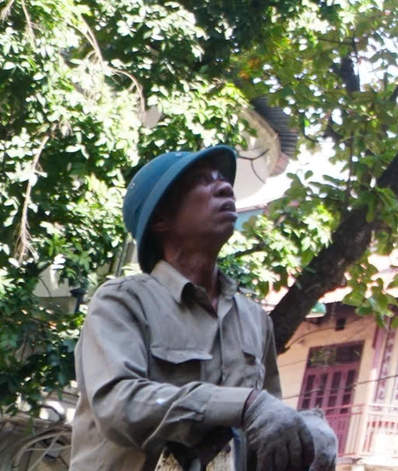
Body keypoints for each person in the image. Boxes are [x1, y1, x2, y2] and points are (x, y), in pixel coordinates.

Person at [73, 147, 336, 471]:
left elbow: (262, 437)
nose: (225, 187)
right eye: (203, 181)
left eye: (223, 180)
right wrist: (245, 405)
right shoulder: (122, 303)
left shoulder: (254, 320)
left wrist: (304, 436)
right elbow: (118, 407)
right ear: (160, 219)